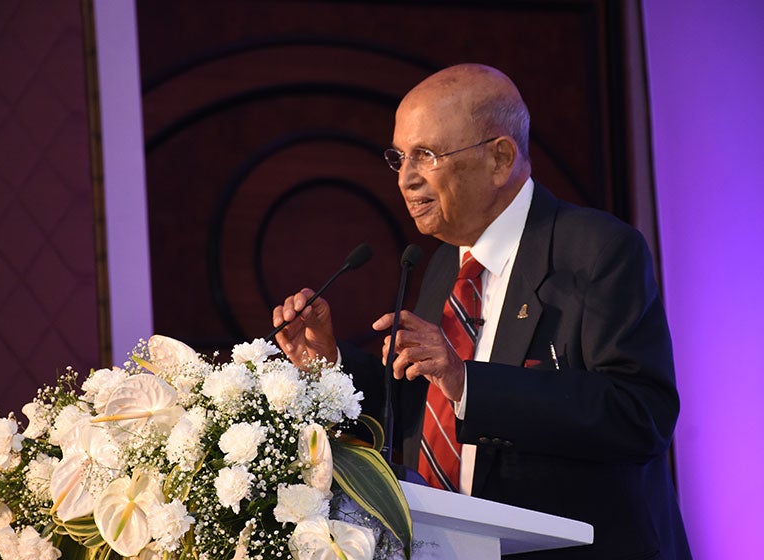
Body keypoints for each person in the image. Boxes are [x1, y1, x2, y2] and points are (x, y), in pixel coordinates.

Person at [272, 63, 691, 559]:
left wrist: (466, 381)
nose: (405, 179)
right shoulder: (445, 264)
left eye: (426, 155)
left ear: (500, 158)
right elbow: (421, 414)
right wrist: (330, 365)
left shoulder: (596, 251)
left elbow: (639, 416)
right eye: (400, 157)